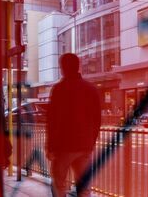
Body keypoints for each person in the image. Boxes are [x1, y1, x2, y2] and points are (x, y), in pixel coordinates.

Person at [46, 53, 101, 197]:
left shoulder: (59, 89)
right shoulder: (91, 89)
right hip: (85, 146)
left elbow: (52, 120)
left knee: (59, 184)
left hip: (63, 147)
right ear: (79, 67)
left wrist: (50, 146)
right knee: (84, 188)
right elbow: (97, 120)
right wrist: (91, 142)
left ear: (63, 68)